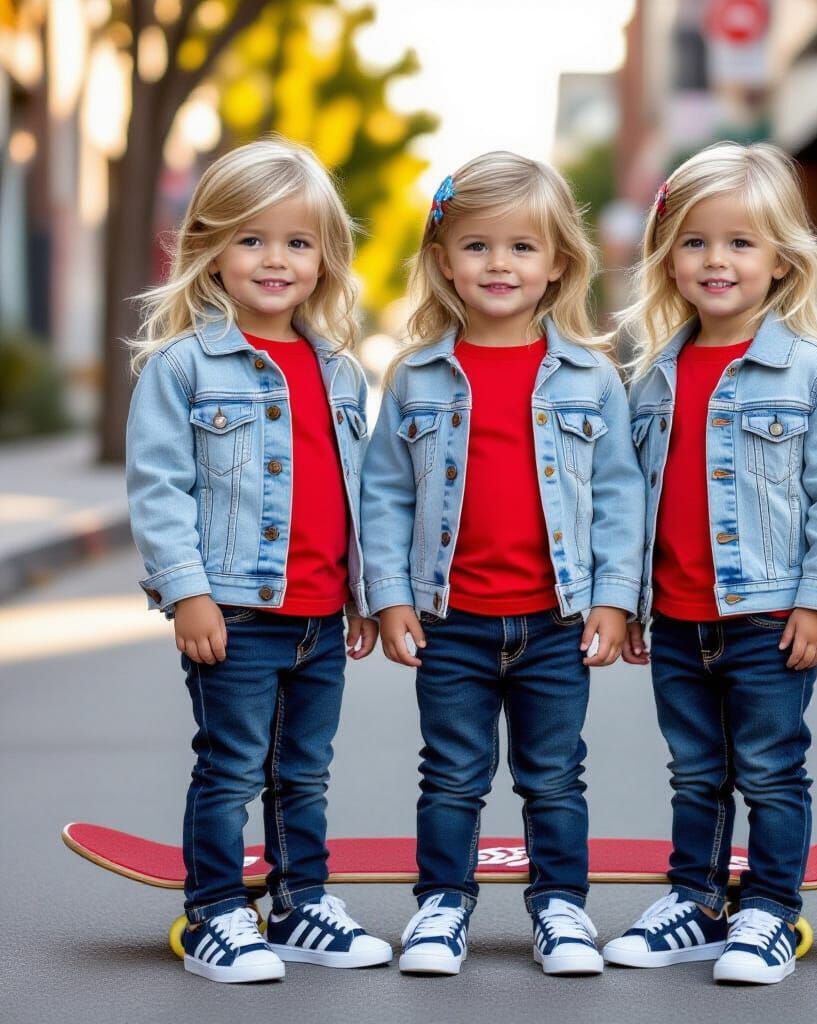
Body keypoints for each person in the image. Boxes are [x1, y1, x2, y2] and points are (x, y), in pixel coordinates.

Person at [360, 151, 644, 976]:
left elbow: (622, 494)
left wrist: (616, 598)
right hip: (451, 621)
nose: (500, 264)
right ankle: (441, 907)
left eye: (523, 247)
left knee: (554, 775)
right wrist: (388, 598)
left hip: (556, 621)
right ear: (443, 259)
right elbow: (385, 494)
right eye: (478, 245)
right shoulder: (415, 377)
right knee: (450, 774)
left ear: (558, 262)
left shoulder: (593, 376)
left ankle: (560, 908)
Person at [603, 141, 817, 985]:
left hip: (768, 614)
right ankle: (695, 902)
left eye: (741, 243)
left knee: (768, 766)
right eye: (695, 241)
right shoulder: (654, 377)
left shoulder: (813, 373)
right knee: (695, 770)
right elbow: (633, 500)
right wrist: (633, 602)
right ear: (667, 257)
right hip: (681, 617)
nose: (716, 260)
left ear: (783, 260)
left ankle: (769, 911)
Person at [125, 138, 391, 983]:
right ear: (208, 248)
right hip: (234, 610)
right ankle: (213, 912)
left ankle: (300, 903)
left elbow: (356, 493)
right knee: (232, 766)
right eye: (251, 238)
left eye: (298, 242)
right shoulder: (183, 368)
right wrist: (186, 593)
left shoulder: (340, 371)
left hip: (318, 611)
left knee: (304, 772)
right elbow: (160, 487)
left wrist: (363, 594)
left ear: (325, 259)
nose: (275, 259)